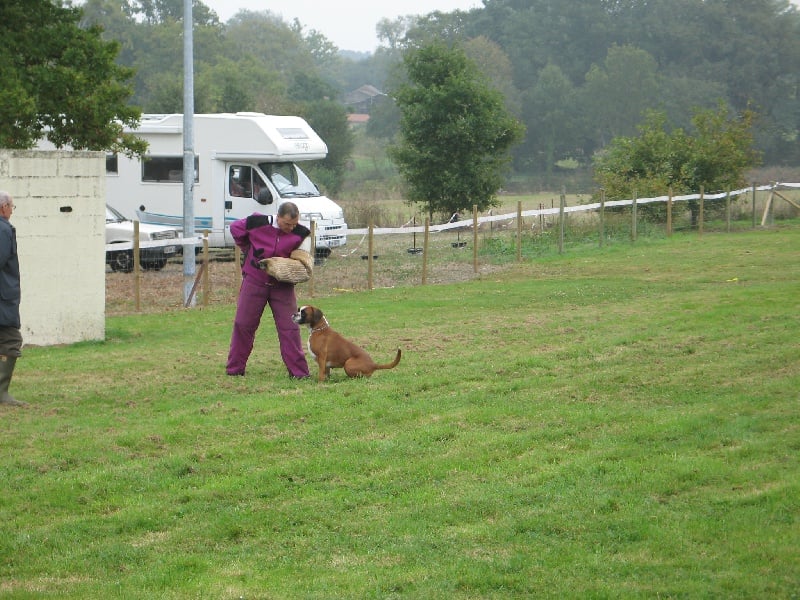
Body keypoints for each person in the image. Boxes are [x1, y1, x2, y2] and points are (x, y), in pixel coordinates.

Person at [226, 201, 311, 379]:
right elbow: (235, 229)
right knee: (243, 325)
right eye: (287, 224)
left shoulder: (301, 234)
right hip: (254, 281)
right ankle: (235, 369)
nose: (291, 228)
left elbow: (304, 257)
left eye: (294, 224)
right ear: (278, 217)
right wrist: (247, 249)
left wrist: (293, 265)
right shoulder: (257, 222)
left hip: (283, 286)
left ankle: (299, 373)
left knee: (290, 328)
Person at [0, 191, 25, 406]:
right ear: (3, 207)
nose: (11, 211)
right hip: (3, 297)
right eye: (11, 206)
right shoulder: (3, 229)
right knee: (11, 340)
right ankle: (2, 393)